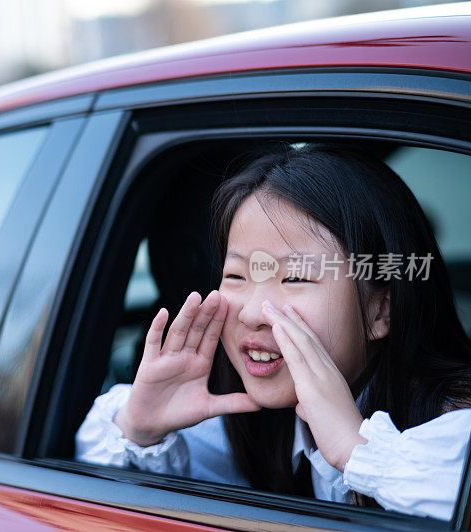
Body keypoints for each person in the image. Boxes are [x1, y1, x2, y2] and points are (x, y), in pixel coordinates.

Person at [75, 143, 471, 521]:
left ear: (380, 310)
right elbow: (88, 479)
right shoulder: (248, 419)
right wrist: (141, 427)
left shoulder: (450, 425)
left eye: (295, 276)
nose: (251, 313)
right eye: (235, 275)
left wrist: (356, 450)